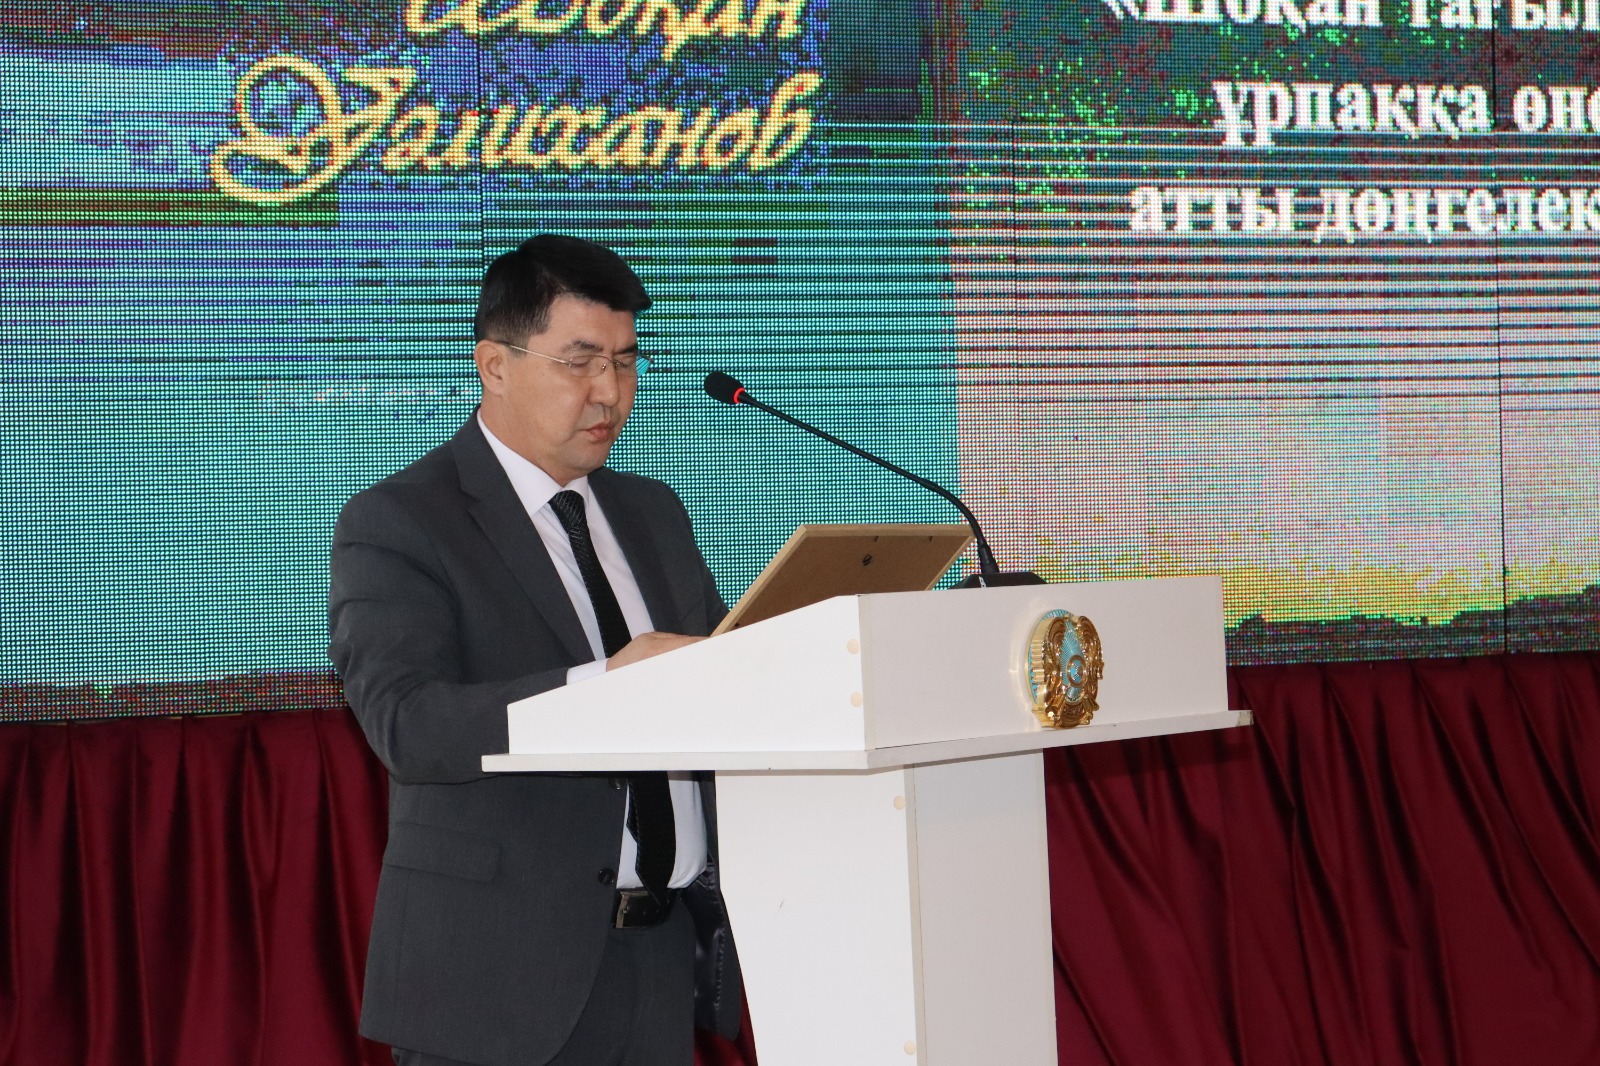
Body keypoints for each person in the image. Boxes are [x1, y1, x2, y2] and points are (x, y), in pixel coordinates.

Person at [329, 234, 741, 1066]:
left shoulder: (653, 511)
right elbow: (409, 724)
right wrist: (602, 686)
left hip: (658, 963)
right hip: (496, 978)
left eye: (625, 361)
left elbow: (723, 686)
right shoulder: (402, 520)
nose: (610, 392)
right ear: (495, 365)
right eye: (579, 362)